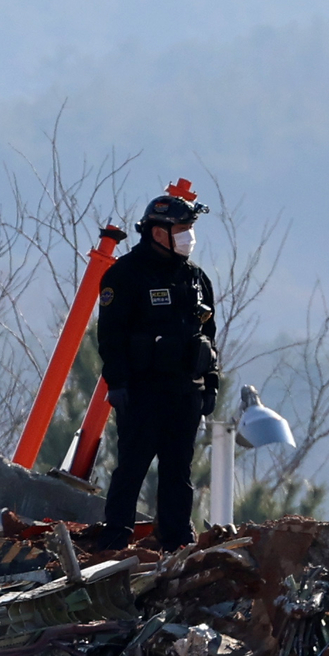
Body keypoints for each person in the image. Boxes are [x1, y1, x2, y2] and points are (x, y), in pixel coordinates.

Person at [90, 191, 219, 547]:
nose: (188, 236)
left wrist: (211, 384)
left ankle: (176, 538)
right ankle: (116, 536)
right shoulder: (126, 275)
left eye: (190, 228)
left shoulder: (195, 278)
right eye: (182, 228)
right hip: (142, 391)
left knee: (178, 471)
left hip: (185, 391)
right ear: (158, 232)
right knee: (132, 466)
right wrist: (117, 382)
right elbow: (110, 336)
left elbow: (208, 335)